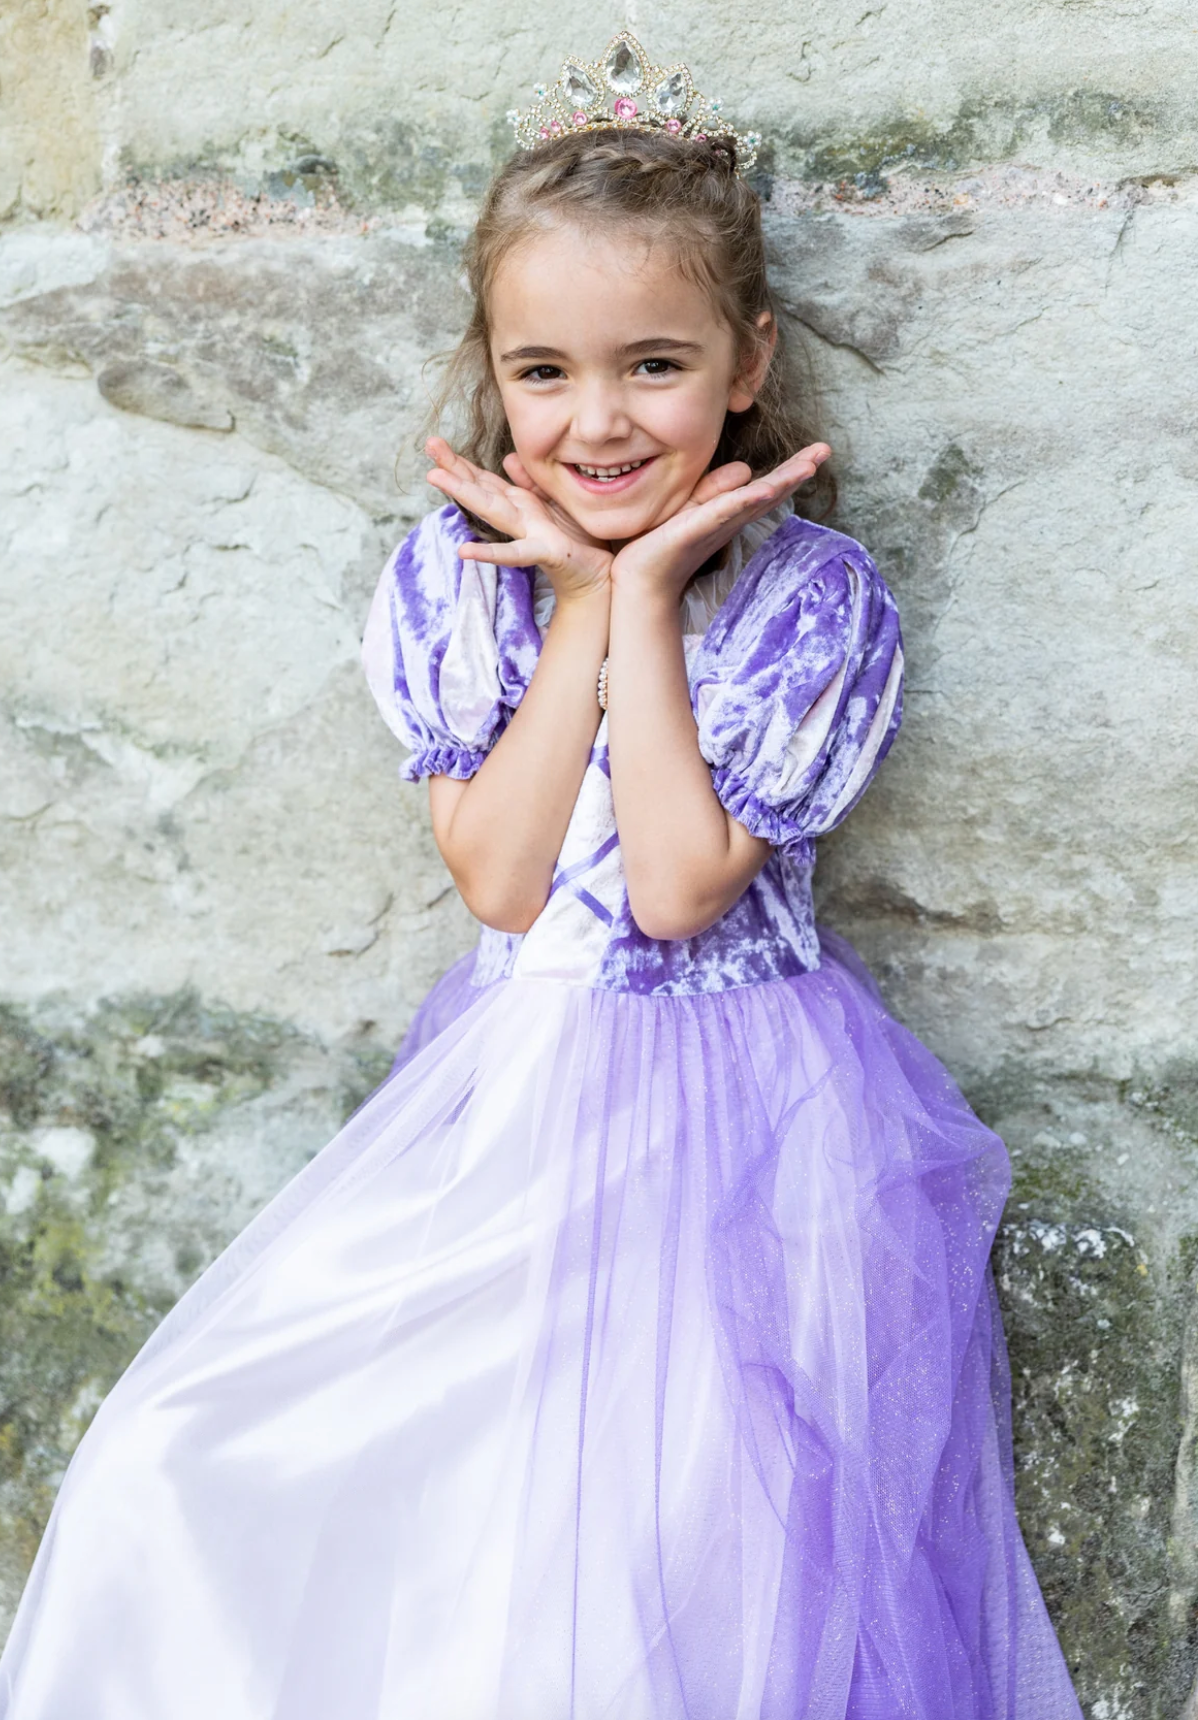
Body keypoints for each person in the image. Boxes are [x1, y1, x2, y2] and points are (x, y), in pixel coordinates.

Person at [0, 33, 1082, 1720]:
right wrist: (578, 600)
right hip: (507, 1105)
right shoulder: (461, 583)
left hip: (753, 1127)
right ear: (492, 375)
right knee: (181, 1461)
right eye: (543, 372)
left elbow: (675, 890)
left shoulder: (809, 602)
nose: (597, 420)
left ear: (748, 360)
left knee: (671, 1546)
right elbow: (504, 884)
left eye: (653, 364)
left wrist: (642, 598)